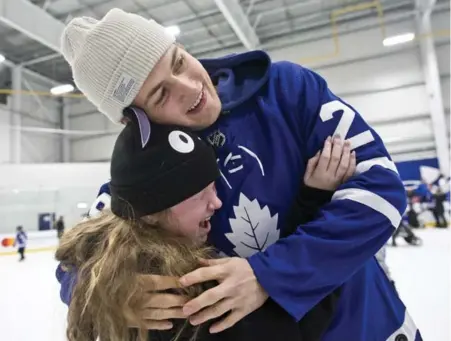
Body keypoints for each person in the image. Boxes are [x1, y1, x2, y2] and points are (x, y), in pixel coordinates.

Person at [59, 9, 420, 340]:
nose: (192, 88)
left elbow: (381, 191)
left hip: (371, 326)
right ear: (133, 121)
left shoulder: (288, 90)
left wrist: (271, 274)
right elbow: (75, 268)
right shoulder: (147, 177)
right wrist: (115, 292)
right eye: (161, 94)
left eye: (179, 61)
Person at [55, 108, 353, 341]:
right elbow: (298, 327)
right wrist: (317, 203)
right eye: (200, 195)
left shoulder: (111, 274)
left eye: (213, 187)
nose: (217, 203)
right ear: (150, 212)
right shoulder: (186, 292)